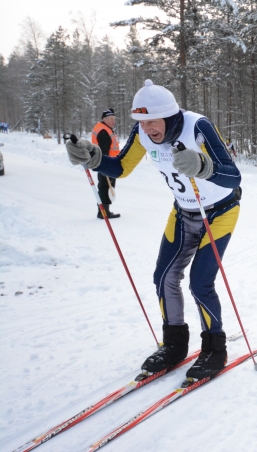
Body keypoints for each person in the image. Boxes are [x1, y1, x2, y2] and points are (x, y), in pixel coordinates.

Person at [66, 80, 242, 380]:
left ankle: (214, 348)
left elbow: (233, 176)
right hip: (183, 212)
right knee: (164, 277)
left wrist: (203, 165)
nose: (147, 129)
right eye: (141, 123)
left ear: (169, 115)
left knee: (200, 283)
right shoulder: (142, 135)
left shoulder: (196, 126)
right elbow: (121, 167)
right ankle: (174, 344)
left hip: (220, 212)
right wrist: (93, 159)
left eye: (151, 122)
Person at [92, 109, 121, 219]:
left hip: (107, 163)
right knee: (106, 186)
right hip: (106, 163)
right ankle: (104, 212)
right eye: (111, 119)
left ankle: (104, 211)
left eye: (114, 119)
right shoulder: (103, 131)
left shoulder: (106, 129)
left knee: (106, 186)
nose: (113, 121)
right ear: (104, 119)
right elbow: (104, 151)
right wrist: (106, 165)